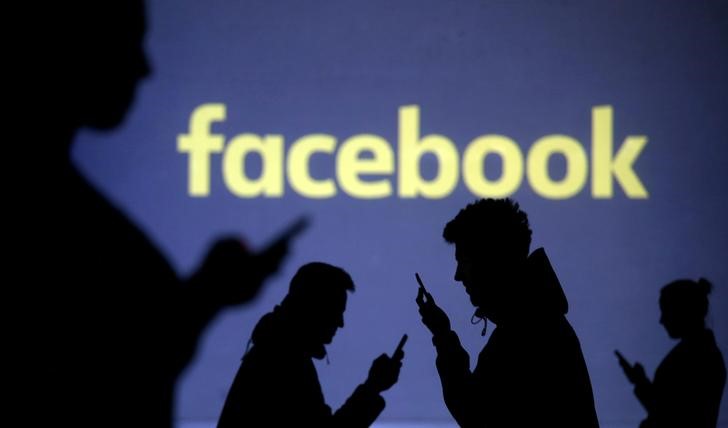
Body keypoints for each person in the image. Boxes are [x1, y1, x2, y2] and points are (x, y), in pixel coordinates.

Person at [14, 1, 291, 426]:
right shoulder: (67, 220)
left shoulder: (74, 211)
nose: (145, 68)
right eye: (124, 44)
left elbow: (128, 352)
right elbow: (110, 369)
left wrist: (205, 294)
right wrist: (203, 296)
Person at [415, 198, 599, 427]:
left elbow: (474, 413)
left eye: (464, 261)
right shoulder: (539, 322)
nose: (458, 275)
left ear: (489, 260)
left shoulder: (525, 334)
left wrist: (443, 336)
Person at [218, 262, 404, 427]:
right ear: (313, 307)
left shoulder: (275, 352)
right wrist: (372, 388)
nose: (341, 323)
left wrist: (372, 388)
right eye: (335, 311)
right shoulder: (286, 362)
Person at [617, 278, 726, 428]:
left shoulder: (696, 357)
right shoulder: (701, 354)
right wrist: (640, 382)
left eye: (665, 311)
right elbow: (667, 408)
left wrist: (641, 383)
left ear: (682, 311)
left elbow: (668, 415)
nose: (661, 320)